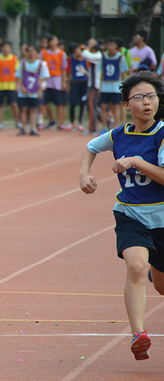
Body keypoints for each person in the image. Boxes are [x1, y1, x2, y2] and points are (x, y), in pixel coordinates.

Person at [79, 71, 164, 361]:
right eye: (138, 97)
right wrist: (84, 174)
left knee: (161, 286)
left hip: (162, 219)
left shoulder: (163, 134)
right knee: (137, 267)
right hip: (130, 214)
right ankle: (138, 334)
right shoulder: (118, 135)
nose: (146, 103)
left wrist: (137, 161)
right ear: (127, 104)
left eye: (151, 96)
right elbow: (91, 147)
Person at [83, 37, 129, 131]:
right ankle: (104, 127)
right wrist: (100, 86)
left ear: (116, 46)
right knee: (103, 106)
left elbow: (123, 74)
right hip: (105, 86)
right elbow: (101, 72)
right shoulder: (103, 57)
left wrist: (123, 87)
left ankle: (116, 126)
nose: (110, 47)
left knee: (115, 107)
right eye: (108, 45)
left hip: (115, 87)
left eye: (112, 45)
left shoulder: (121, 58)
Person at [15, 44, 49, 136]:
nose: (31, 53)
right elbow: (18, 77)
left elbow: (43, 79)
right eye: (29, 51)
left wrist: (40, 91)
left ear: (37, 53)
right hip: (24, 91)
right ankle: (22, 128)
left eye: (33, 51)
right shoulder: (22, 63)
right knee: (23, 109)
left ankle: (33, 128)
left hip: (35, 90)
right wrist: (21, 87)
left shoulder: (41, 64)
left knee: (33, 109)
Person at [40, 35, 68, 130]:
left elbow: (63, 68)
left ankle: (60, 123)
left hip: (57, 80)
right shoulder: (43, 53)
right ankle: (42, 122)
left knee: (59, 103)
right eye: (51, 41)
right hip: (46, 80)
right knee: (44, 103)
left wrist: (63, 82)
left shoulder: (61, 53)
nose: (53, 43)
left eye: (55, 40)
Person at [0, 41, 19, 130]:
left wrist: (17, 85)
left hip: (11, 85)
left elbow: (17, 72)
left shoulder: (14, 58)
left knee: (14, 104)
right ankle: (0, 122)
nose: (5, 49)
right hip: (0, 85)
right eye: (4, 47)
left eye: (7, 47)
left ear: (10, 49)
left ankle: (18, 121)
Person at [67, 43, 89, 132]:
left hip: (84, 82)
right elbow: (69, 71)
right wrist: (68, 84)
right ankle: (72, 122)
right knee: (72, 103)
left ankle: (80, 123)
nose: (76, 52)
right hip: (74, 82)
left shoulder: (87, 58)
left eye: (77, 50)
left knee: (82, 103)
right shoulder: (71, 58)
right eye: (74, 51)